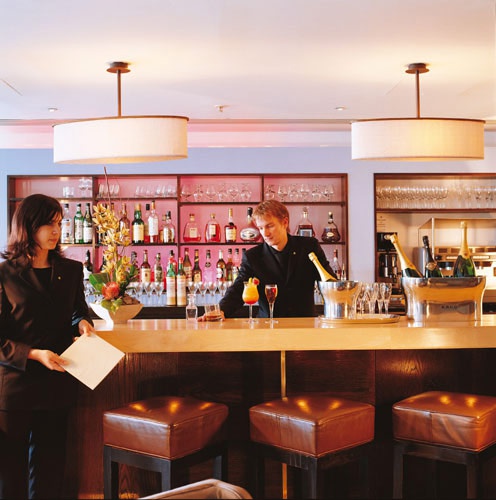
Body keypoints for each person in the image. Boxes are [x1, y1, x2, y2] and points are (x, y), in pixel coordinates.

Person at [0, 194, 94, 499]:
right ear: (28, 226)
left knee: (50, 472)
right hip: (16, 385)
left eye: (59, 223)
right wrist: (33, 354)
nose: (56, 230)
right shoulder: (4, 274)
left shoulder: (71, 271)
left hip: (56, 382)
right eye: (48, 224)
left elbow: (78, 310)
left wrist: (83, 323)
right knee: (10, 475)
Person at [215, 200, 336, 319]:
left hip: (304, 325)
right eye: (261, 228)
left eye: (270, 226)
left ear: (285, 222)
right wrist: (221, 311)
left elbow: (329, 283)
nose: (265, 233)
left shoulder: (309, 247)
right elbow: (238, 289)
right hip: (268, 325)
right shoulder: (253, 256)